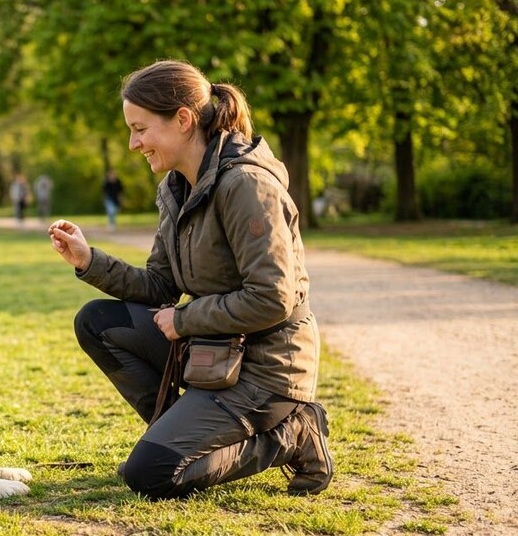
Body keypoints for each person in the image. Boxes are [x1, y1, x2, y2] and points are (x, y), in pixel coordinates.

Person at [47, 60, 332, 500]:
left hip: (267, 370)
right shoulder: (176, 188)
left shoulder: (247, 186)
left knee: (151, 476)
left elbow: (273, 298)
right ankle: (174, 437)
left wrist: (185, 320)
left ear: (182, 120)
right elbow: (160, 285)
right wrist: (89, 261)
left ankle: (292, 433)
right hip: (213, 352)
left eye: (140, 128)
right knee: (98, 322)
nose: (132, 143)